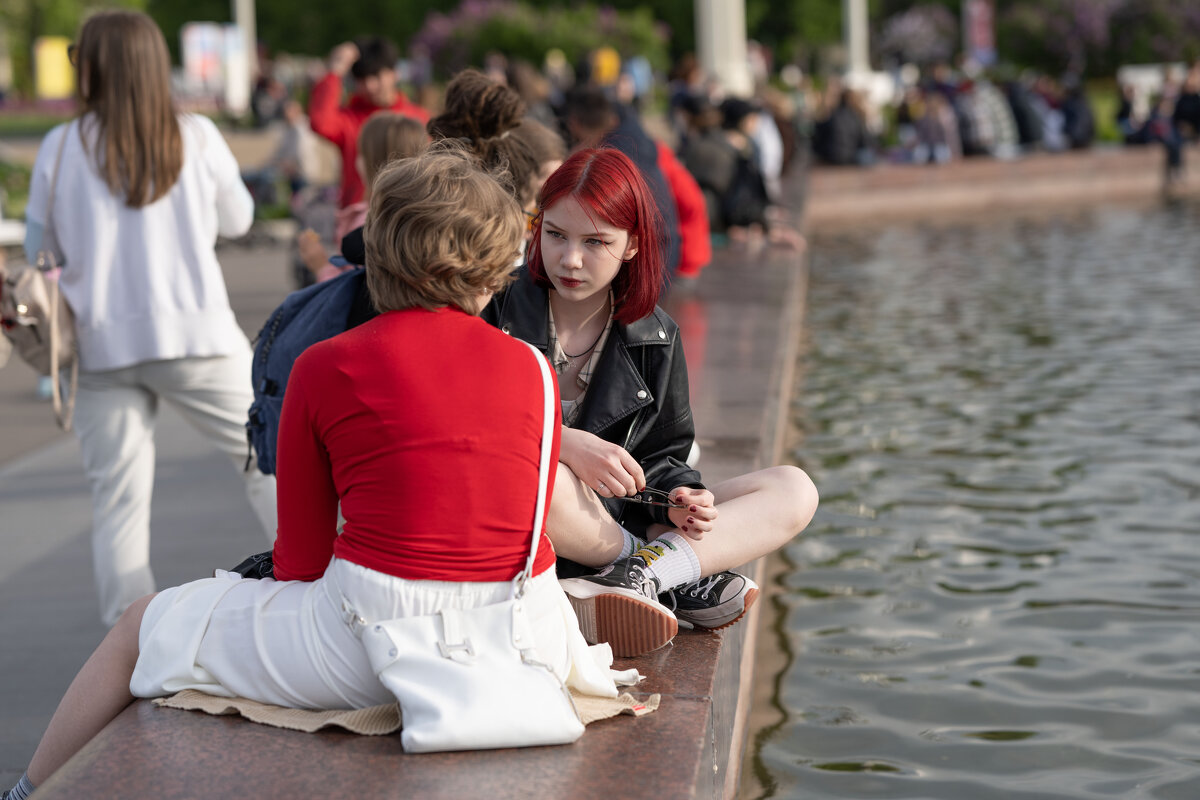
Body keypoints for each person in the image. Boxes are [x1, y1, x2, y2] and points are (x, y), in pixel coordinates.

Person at [3, 145, 628, 800]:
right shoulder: (530, 366)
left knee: (139, 626)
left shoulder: (327, 365)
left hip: (363, 648)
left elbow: (300, 560)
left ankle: (27, 791)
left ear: (380, 249)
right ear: (494, 267)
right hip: (520, 638)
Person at [483, 148, 819, 658]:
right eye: (555, 234)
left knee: (795, 489)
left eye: (595, 242)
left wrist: (685, 501)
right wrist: (564, 441)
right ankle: (668, 574)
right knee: (537, 474)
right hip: (539, 517)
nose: (570, 259)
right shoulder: (494, 307)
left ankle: (645, 573)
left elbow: (664, 456)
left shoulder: (656, 335)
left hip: (620, 517)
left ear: (632, 245)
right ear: (537, 227)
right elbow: (472, 427)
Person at [21, 10, 276, 628]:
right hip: (196, 335)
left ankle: (130, 648)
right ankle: (309, 588)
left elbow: (37, 251)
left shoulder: (61, 145)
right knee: (268, 460)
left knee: (119, 505)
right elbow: (239, 219)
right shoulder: (195, 135)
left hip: (101, 349)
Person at [298, 112, 428, 282]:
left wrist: (321, 266)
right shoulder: (424, 215)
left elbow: (353, 290)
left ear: (374, 162)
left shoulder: (368, 223)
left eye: (361, 154)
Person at [308, 36, 430, 209]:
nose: (370, 86)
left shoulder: (418, 118)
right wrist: (335, 71)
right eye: (362, 79)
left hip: (407, 218)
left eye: (376, 76)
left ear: (395, 73)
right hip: (360, 219)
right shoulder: (350, 118)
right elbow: (321, 123)